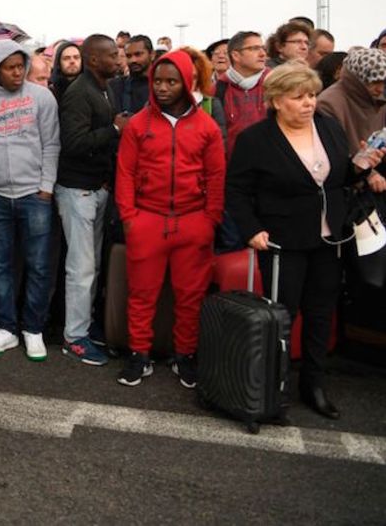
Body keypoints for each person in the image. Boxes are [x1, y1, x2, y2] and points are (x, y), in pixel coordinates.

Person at [226, 63, 384, 419]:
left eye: (312, 95)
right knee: (282, 315)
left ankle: (313, 385)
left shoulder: (328, 127)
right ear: (277, 101)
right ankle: (272, 389)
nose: (309, 103)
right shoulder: (256, 139)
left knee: (320, 314)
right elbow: (236, 190)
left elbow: (339, 176)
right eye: (299, 97)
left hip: (330, 239)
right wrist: (251, 229)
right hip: (282, 243)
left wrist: (360, 165)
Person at [115, 51, 226, 388]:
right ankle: (139, 354)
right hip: (148, 220)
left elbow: (217, 175)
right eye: (157, 81)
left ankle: (185, 355)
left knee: (190, 295)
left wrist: (210, 220)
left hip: (193, 222)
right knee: (141, 293)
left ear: (187, 82)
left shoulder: (206, 126)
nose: (162, 88)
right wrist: (130, 219)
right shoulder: (139, 124)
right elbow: (125, 174)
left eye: (171, 81)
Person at [0, 40, 59, 361]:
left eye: (21, 66)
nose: (17, 73)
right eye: (9, 67)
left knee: (38, 265)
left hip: (34, 194)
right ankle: (6, 328)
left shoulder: (42, 97)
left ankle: (33, 328)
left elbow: (51, 144)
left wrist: (46, 187)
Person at [55, 35, 127, 366]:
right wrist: (114, 129)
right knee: (81, 268)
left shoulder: (105, 87)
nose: (119, 58)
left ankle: (83, 325)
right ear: (93, 60)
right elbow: (74, 143)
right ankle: (74, 337)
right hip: (77, 191)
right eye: (112, 54)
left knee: (92, 265)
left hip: (97, 189)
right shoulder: (78, 93)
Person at [316, 48, 386, 193]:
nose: (380, 88)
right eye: (375, 82)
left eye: (383, 82)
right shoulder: (328, 103)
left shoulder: (379, 101)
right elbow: (333, 153)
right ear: (357, 80)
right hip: (345, 188)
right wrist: (368, 173)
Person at [216, 30, 270, 159]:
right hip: (233, 165)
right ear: (236, 55)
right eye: (254, 49)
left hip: (270, 162)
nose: (263, 54)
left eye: (263, 48)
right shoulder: (219, 88)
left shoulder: (275, 83)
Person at [110, 35, 153, 115]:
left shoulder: (161, 86)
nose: (133, 60)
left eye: (138, 54)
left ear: (152, 55)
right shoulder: (115, 86)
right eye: (129, 56)